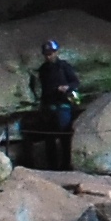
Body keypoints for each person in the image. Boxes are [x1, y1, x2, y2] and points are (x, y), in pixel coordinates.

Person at [30, 38, 83, 167]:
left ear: (56, 52)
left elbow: (75, 82)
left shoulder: (64, 66)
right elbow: (42, 88)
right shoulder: (43, 69)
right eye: (46, 54)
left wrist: (67, 87)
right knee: (49, 137)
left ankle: (66, 165)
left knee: (65, 136)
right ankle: (52, 166)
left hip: (63, 106)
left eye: (51, 53)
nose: (49, 56)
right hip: (49, 107)